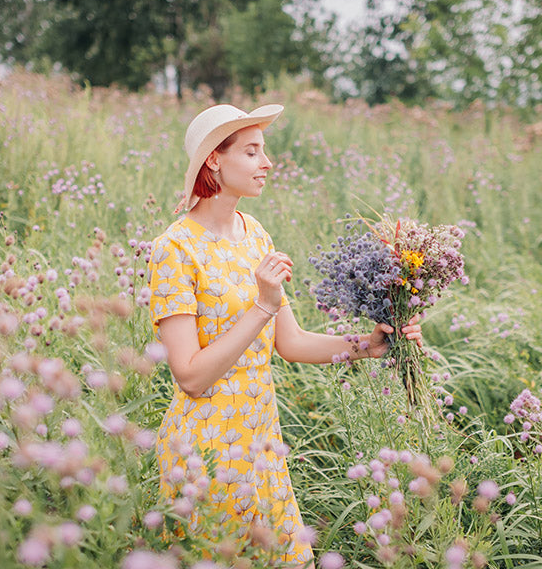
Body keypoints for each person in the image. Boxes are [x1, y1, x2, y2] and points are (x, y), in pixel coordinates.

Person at [147, 103, 422, 566]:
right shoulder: (173, 249)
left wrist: (367, 346)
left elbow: (290, 343)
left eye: (264, 151)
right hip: (206, 451)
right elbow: (190, 377)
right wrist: (261, 307)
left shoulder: (255, 235)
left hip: (262, 439)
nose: (267, 163)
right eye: (252, 152)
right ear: (215, 159)